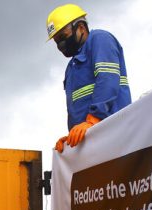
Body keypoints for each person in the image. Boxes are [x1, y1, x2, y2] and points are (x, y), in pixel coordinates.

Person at [47, 4, 131, 153]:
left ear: (81, 27)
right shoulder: (71, 68)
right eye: (56, 41)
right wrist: (72, 137)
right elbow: (77, 108)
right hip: (93, 140)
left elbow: (107, 80)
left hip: (113, 134)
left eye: (63, 37)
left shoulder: (99, 39)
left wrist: (93, 120)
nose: (60, 45)